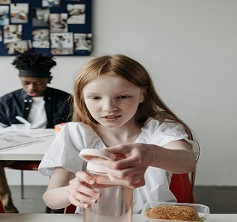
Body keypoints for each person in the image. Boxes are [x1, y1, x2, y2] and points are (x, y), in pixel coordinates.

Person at [39, 54, 200, 213]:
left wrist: (152, 154)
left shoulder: (160, 127)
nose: (108, 107)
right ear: (82, 98)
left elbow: (187, 161)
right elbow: (51, 199)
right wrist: (70, 192)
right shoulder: (75, 133)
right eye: (95, 98)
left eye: (122, 97)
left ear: (142, 95)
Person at [0, 50, 72, 213]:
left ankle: (56, 208)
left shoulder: (65, 99)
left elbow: (73, 131)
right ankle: (6, 209)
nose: (31, 87)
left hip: (52, 152)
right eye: (26, 82)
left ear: (49, 80)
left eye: (39, 83)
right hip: (15, 152)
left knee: (68, 159)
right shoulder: (7, 100)